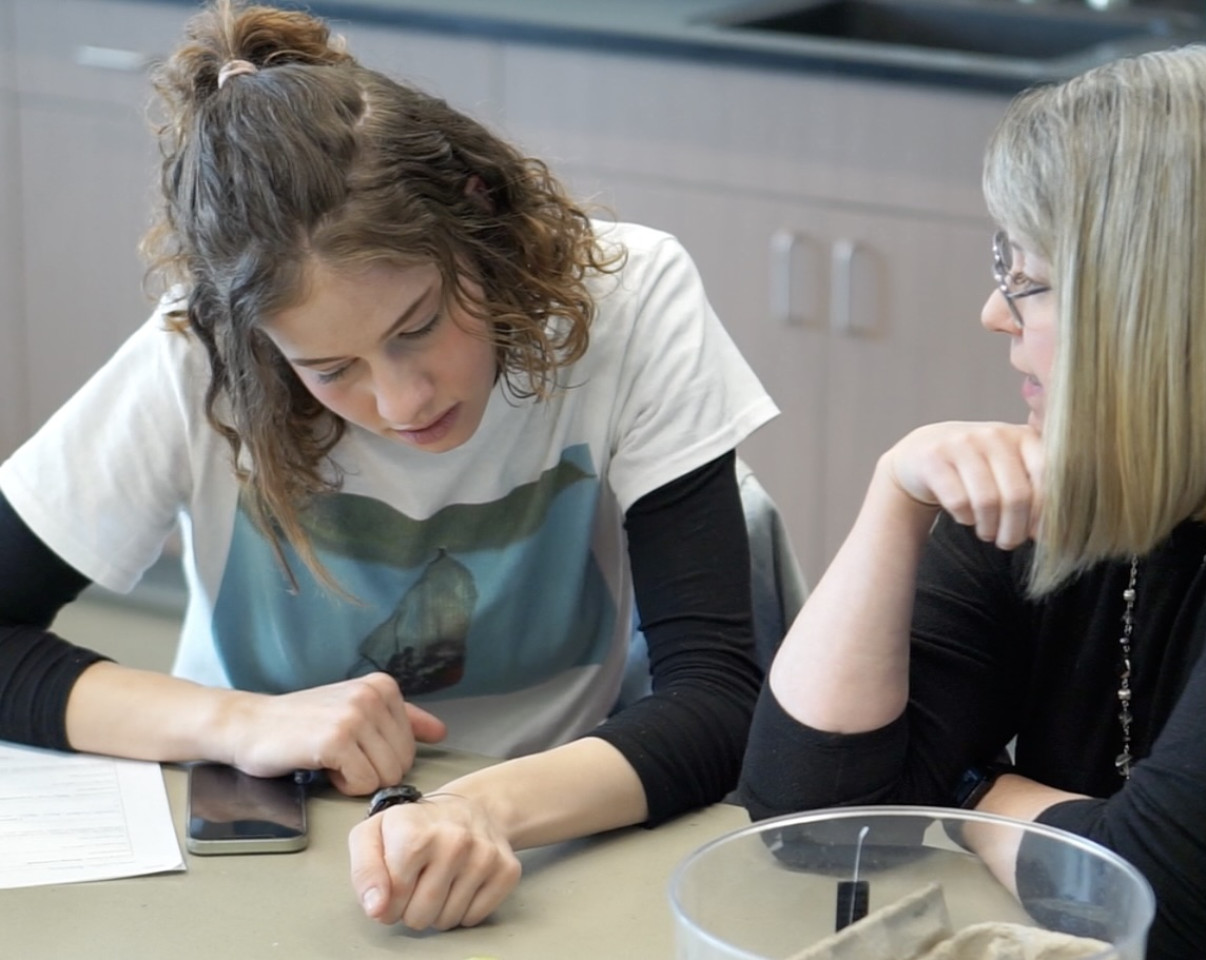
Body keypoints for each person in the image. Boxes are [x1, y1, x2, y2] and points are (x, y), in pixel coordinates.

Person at [0, 0, 777, 932]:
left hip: (551, 823)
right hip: (259, 828)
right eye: (331, 371)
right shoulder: (198, 352)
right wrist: (242, 722)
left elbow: (717, 698)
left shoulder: (630, 302)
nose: (403, 401)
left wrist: (476, 809)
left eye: (418, 327)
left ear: (481, 218)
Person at [737, 45, 1206, 960]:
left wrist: (972, 790)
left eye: (1026, 277)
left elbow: (1153, 901)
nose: (996, 313)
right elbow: (809, 820)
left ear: (1158, 299)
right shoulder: (1082, 468)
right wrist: (894, 501)